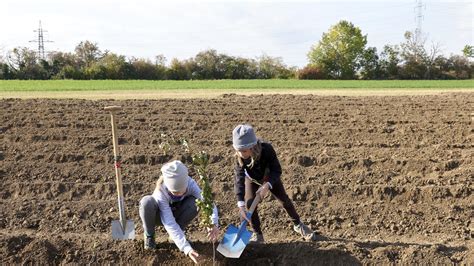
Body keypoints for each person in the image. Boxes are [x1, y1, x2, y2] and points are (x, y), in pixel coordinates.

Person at [232, 124, 316, 243]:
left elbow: (277, 170)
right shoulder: (239, 157)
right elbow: (239, 179)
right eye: (238, 151)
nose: (241, 154)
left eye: (244, 151)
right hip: (252, 179)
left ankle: (298, 225)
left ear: (252, 146)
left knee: (284, 200)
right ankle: (257, 234)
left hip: (269, 177)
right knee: (249, 204)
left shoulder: (267, 150)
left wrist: (267, 185)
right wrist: (240, 204)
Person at [139, 160, 220, 264]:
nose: (179, 194)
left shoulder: (190, 183)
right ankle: (149, 236)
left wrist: (213, 222)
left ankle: (179, 232)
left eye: (182, 191)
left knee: (197, 202)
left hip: (177, 212)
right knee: (147, 202)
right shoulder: (161, 191)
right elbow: (169, 222)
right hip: (158, 216)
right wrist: (186, 248)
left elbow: (208, 202)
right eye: (175, 192)